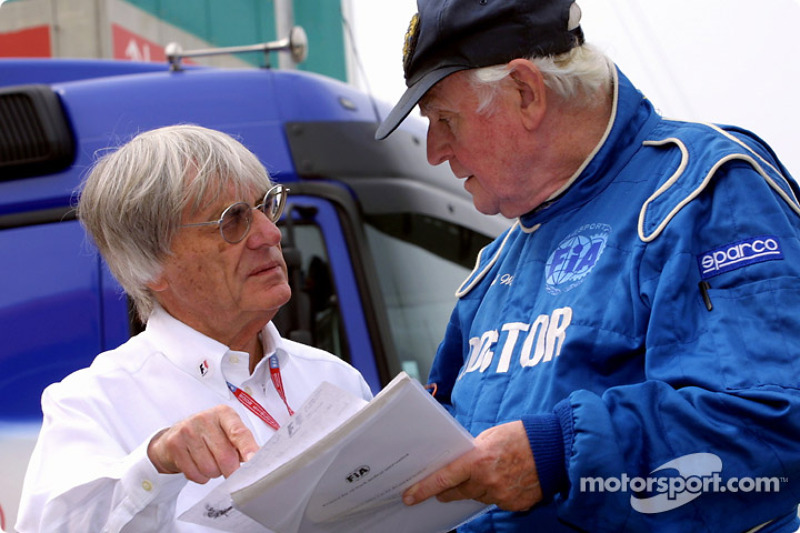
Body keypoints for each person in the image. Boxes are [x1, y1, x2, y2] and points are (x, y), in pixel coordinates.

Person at [376, 1, 800, 531]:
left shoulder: (700, 191)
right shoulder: (494, 268)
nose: (434, 150)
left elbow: (776, 423)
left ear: (526, 92)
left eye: (445, 119)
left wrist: (556, 455)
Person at [16, 124, 373, 532]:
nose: (271, 234)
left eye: (265, 206)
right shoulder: (91, 403)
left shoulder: (333, 377)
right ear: (150, 266)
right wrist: (157, 463)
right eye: (233, 220)